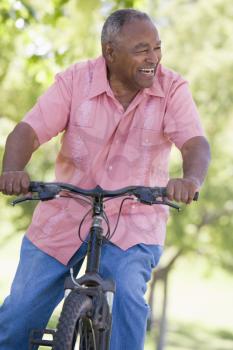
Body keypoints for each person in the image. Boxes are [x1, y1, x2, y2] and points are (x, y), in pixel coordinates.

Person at [0, 8, 210, 350]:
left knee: (126, 295)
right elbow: (29, 130)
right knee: (19, 316)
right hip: (66, 212)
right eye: (142, 49)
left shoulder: (171, 89)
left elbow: (194, 143)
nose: (153, 58)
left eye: (157, 48)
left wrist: (191, 180)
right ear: (109, 52)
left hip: (135, 218)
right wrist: (13, 170)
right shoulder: (75, 81)